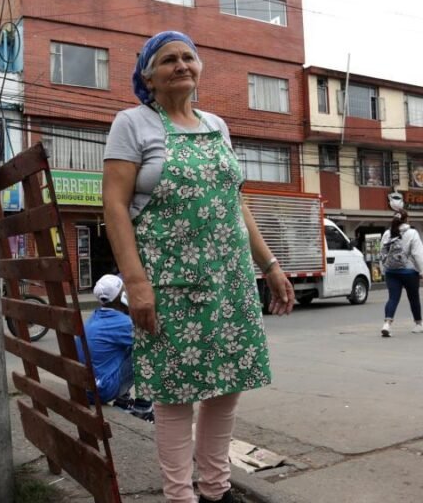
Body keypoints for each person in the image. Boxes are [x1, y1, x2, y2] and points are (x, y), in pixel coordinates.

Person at [102, 30, 294, 503]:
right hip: (169, 280)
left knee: (227, 386)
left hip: (230, 278)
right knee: (174, 393)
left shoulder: (216, 125)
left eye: (188, 57)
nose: (181, 65)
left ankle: (215, 489)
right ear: (148, 76)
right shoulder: (132, 123)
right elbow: (114, 206)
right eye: (168, 59)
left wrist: (270, 265)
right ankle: (179, 496)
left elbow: (235, 202)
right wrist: (136, 283)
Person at [76, 274, 136, 405]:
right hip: (102, 391)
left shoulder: (95, 316)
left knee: (125, 347)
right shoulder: (123, 323)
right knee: (145, 352)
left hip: (86, 389)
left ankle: (123, 399)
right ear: (123, 297)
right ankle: (143, 407)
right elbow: (149, 340)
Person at [379, 210, 423, 337]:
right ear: (406, 219)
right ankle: (418, 324)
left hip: (391, 271)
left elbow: (382, 252)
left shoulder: (387, 233)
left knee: (392, 298)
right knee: (413, 298)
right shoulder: (412, 233)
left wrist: (383, 269)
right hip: (409, 272)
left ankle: (387, 324)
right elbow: (418, 253)